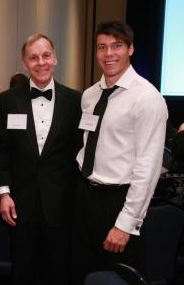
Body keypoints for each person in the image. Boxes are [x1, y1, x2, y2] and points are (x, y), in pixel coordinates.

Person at [71, 20, 168, 283]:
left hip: (118, 202)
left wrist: (125, 224)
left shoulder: (147, 98)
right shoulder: (90, 95)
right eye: (102, 47)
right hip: (84, 198)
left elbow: (147, 169)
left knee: (119, 278)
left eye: (117, 46)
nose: (108, 53)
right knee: (83, 275)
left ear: (131, 49)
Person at [0, 33, 81, 284]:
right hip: (20, 203)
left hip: (61, 203)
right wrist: (3, 192)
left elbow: (78, 152)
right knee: (23, 272)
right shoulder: (9, 100)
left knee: (58, 272)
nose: (40, 62)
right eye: (33, 58)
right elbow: (1, 150)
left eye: (45, 56)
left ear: (55, 59)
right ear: (24, 63)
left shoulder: (75, 100)